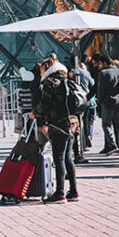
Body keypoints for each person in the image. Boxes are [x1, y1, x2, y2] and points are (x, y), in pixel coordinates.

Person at [29, 56, 79, 204]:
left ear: (46, 68)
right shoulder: (67, 78)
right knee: (68, 158)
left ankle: (60, 193)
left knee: (59, 159)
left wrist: (34, 113)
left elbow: (44, 103)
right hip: (72, 123)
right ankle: (74, 191)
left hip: (58, 125)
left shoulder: (50, 82)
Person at [96, 55, 119, 155]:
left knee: (106, 124)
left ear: (105, 63)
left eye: (101, 63)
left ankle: (112, 144)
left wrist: (100, 101)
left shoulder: (103, 73)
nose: (100, 65)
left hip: (107, 102)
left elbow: (101, 89)